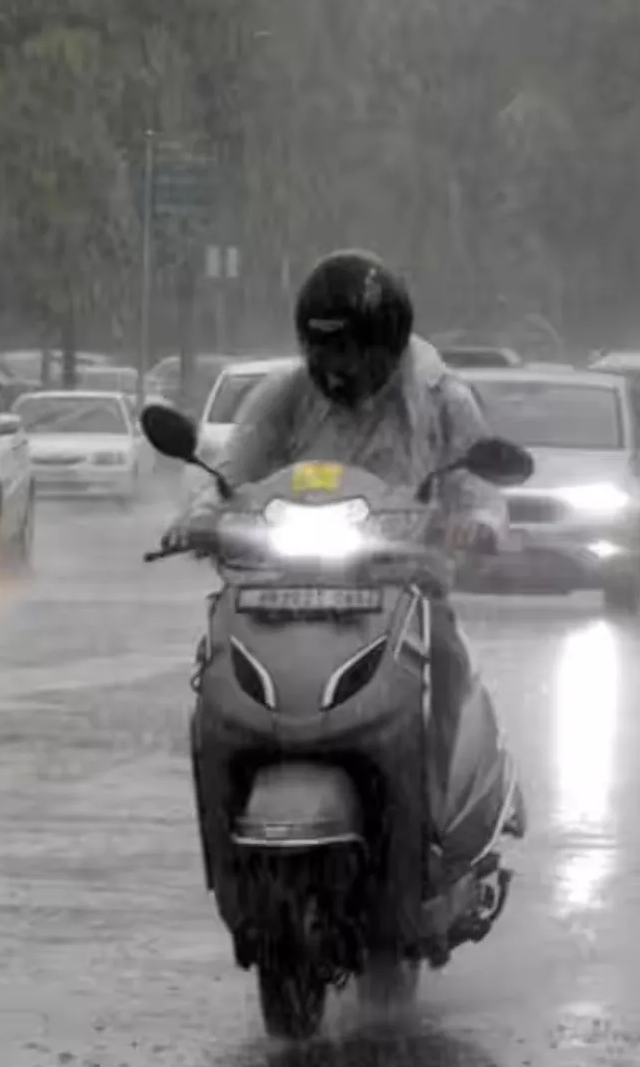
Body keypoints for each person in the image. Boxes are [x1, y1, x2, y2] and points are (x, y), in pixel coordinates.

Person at [161, 249, 526, 872]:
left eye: (350, 349)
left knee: (445, 659)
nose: (337, 365)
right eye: (324, 348)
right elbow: (232, 471)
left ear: (386, 344)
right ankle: (226, 822)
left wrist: (480, 522)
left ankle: (433, 819)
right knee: (215, 663)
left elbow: (479, 483)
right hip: (281, 581)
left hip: (401, 579)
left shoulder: (439, 396)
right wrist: (198, 518)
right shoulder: (283, 396)